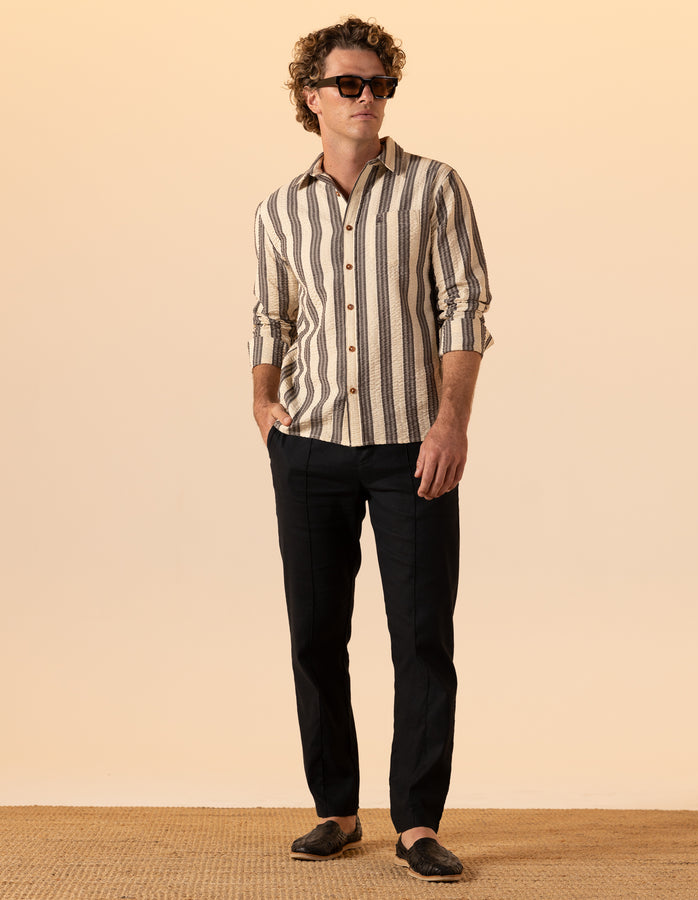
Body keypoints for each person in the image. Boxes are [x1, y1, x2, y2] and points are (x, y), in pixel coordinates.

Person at [249, 16, 492, 883]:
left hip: (408, 450)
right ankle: (337, 810)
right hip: (308, 447)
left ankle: (417, 822)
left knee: (421, 636)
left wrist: (451, 422)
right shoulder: (279, 209)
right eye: (349, 84)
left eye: (380, 84)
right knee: (315, 633)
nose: (367, 98)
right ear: (310, 96)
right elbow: (270, 315)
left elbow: (464, 309)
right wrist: (261, 399)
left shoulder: (434, 187)